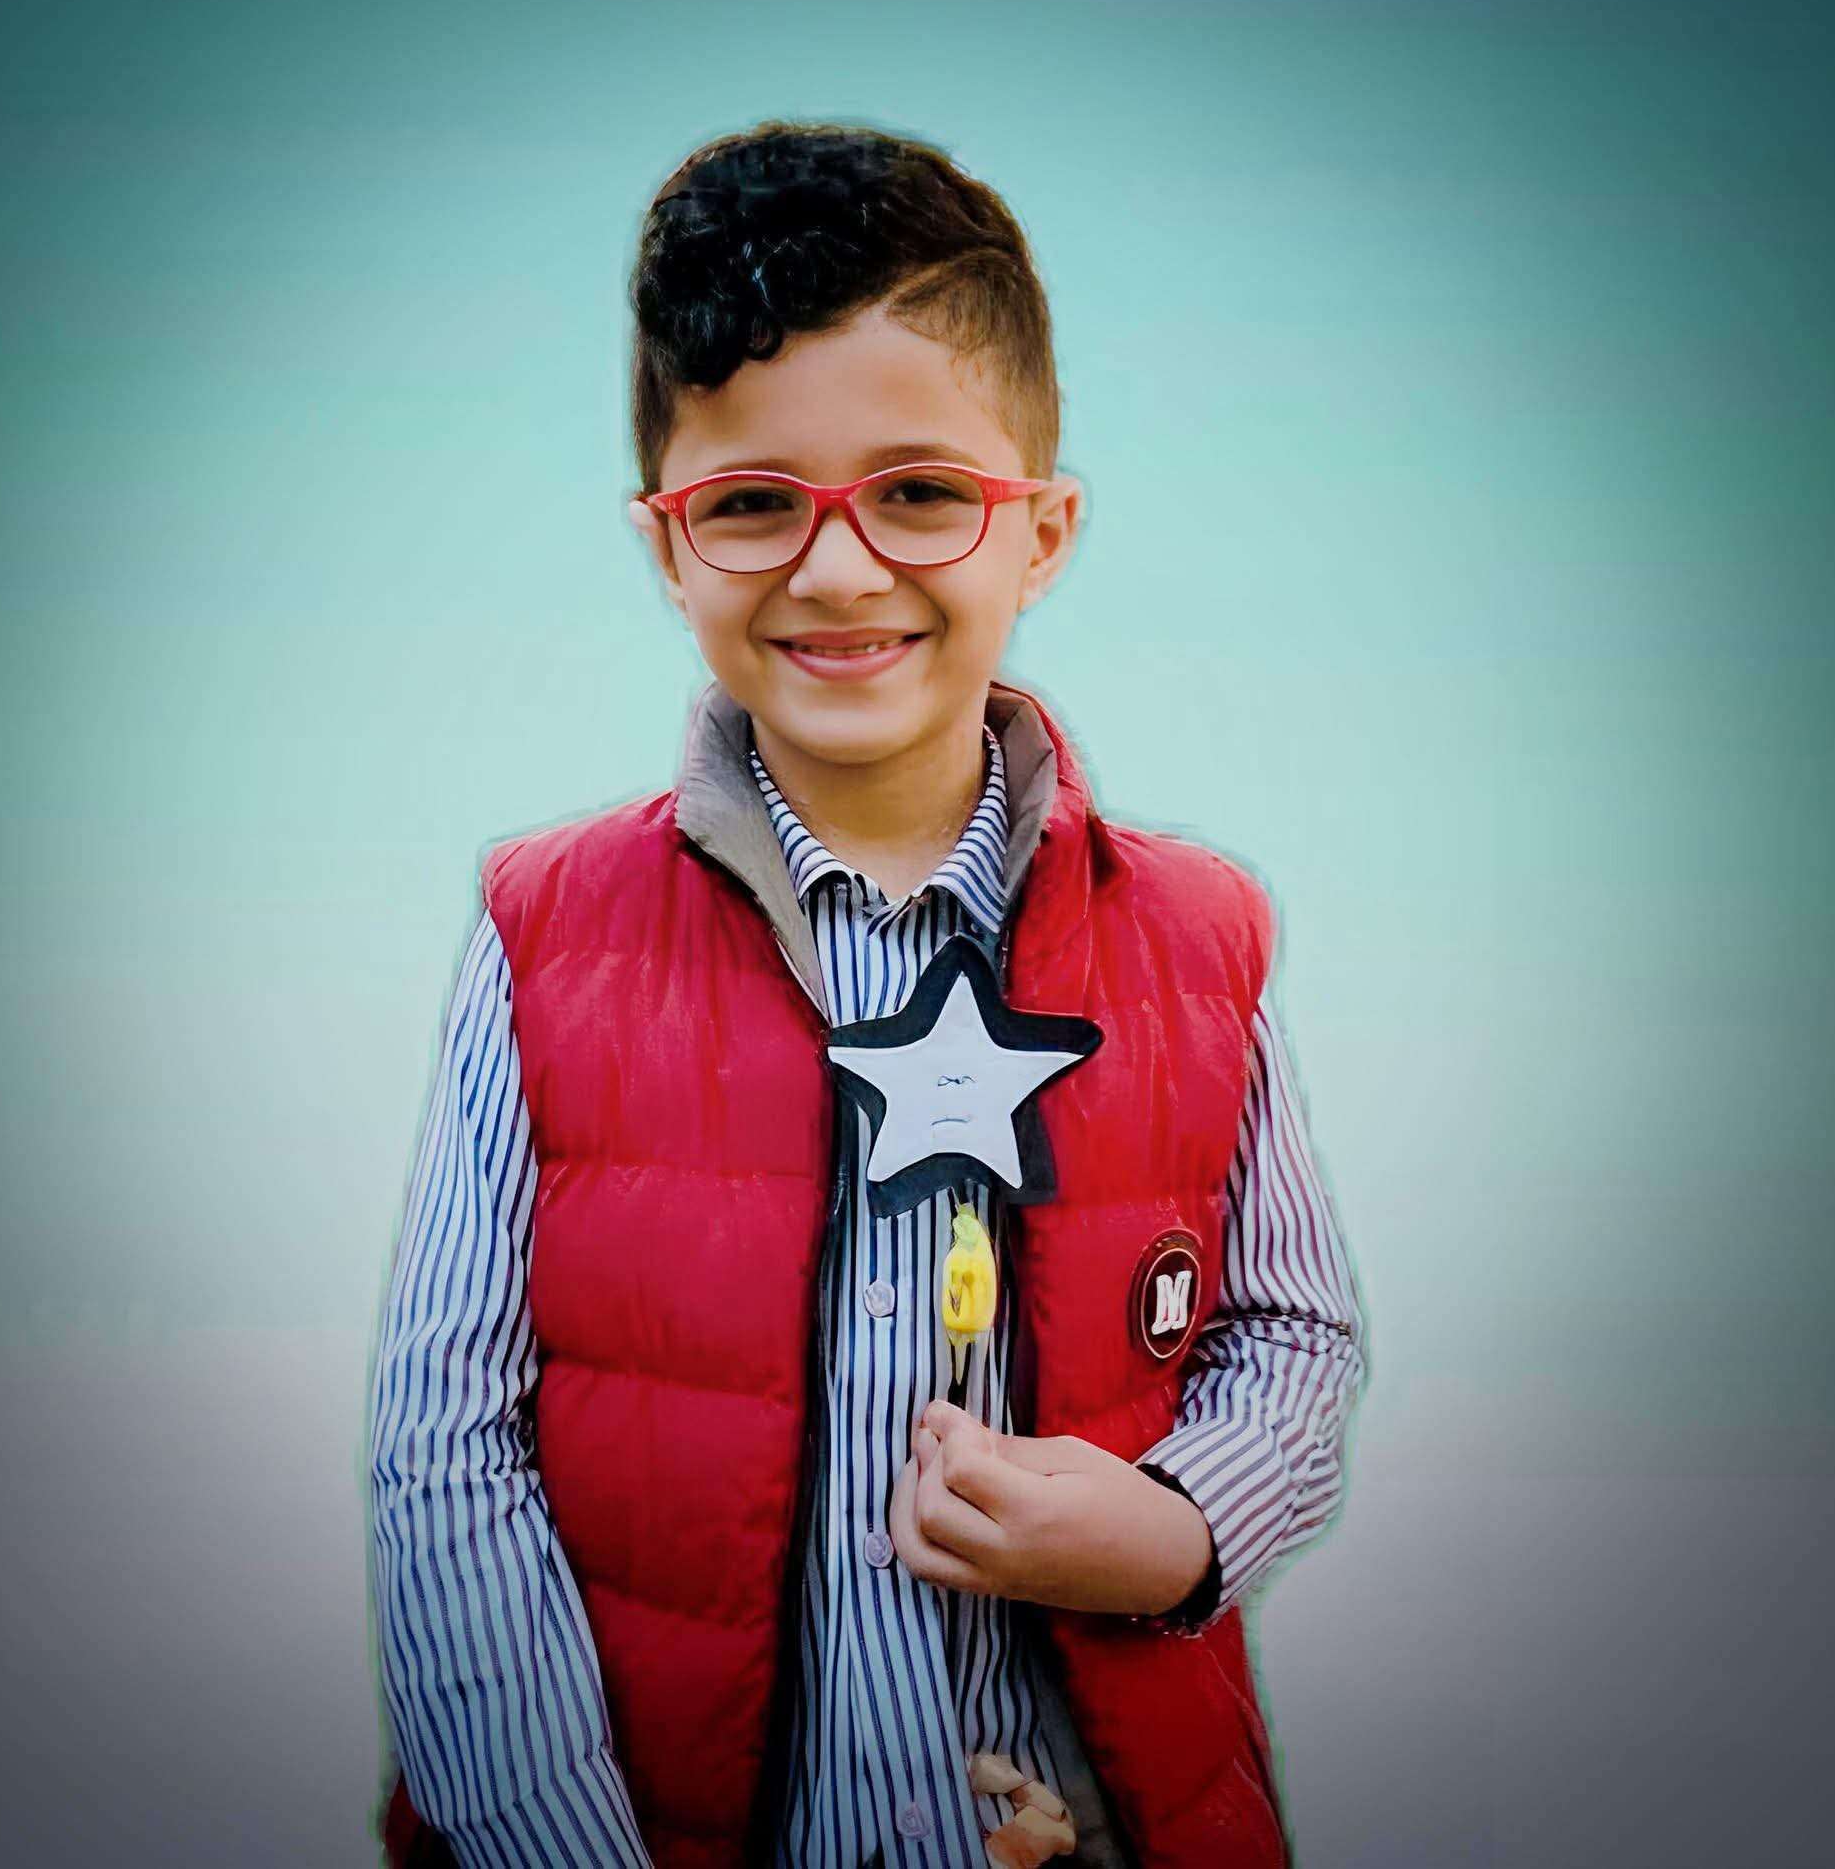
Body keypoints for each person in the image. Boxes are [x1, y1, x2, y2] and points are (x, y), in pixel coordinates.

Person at [368, 120, 1366, 1869]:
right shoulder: (543, 932)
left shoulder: (1201, 941)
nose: (839, 571)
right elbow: (448, 1449)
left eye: (919, 494)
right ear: (668, 546)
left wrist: (1179, 1527)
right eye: (754, 504)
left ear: (1041, 530)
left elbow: (1294, 1334)